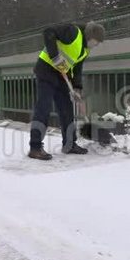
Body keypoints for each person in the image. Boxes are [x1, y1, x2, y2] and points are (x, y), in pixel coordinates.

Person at [28, 21, 106, 160]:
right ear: (90, 36)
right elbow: (48, 31)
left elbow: (77, 68)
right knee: (43, 108)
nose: (97, 44)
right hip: (46, 70)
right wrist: (55, 57)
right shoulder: (72, 32)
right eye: (97, 41)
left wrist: (77, 87)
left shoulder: (85, 49)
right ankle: (35, 148)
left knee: (67, 110)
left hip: (62, 75)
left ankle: (69, 144)